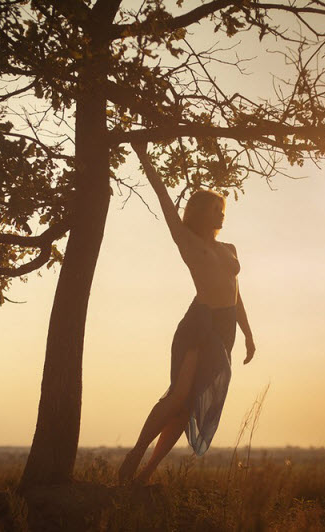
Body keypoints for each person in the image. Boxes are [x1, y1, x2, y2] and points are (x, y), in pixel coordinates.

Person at [118, 142, 256, 486]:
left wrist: (249, 334)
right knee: (178, 396)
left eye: (222, 209)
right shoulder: (187, 241)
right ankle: (136, 452)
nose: (221, 214)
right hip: (200, 323)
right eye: (214, 209)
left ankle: (146, 475)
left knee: (189, 407)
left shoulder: (229, 248)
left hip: (225, 329)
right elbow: (165, 202)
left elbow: (236, 294)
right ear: (199, 213)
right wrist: (145, 157)